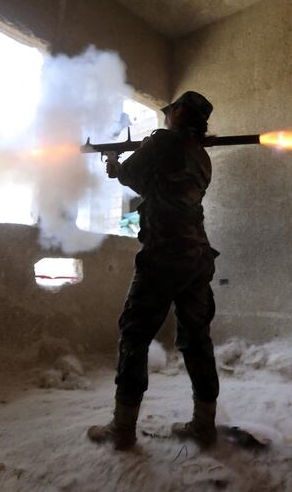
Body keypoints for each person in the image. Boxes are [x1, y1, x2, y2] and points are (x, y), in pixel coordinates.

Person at [87, 91, 220, 451]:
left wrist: (114, 162)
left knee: (134, 336)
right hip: (196, 256)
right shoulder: (202, 157)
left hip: (163, 256)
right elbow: (160, 186)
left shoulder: (162, 143)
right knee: (198, 341)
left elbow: (128, 176)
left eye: (171, 110)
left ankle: (122, 430)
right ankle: (205, 426)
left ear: (177, 113)